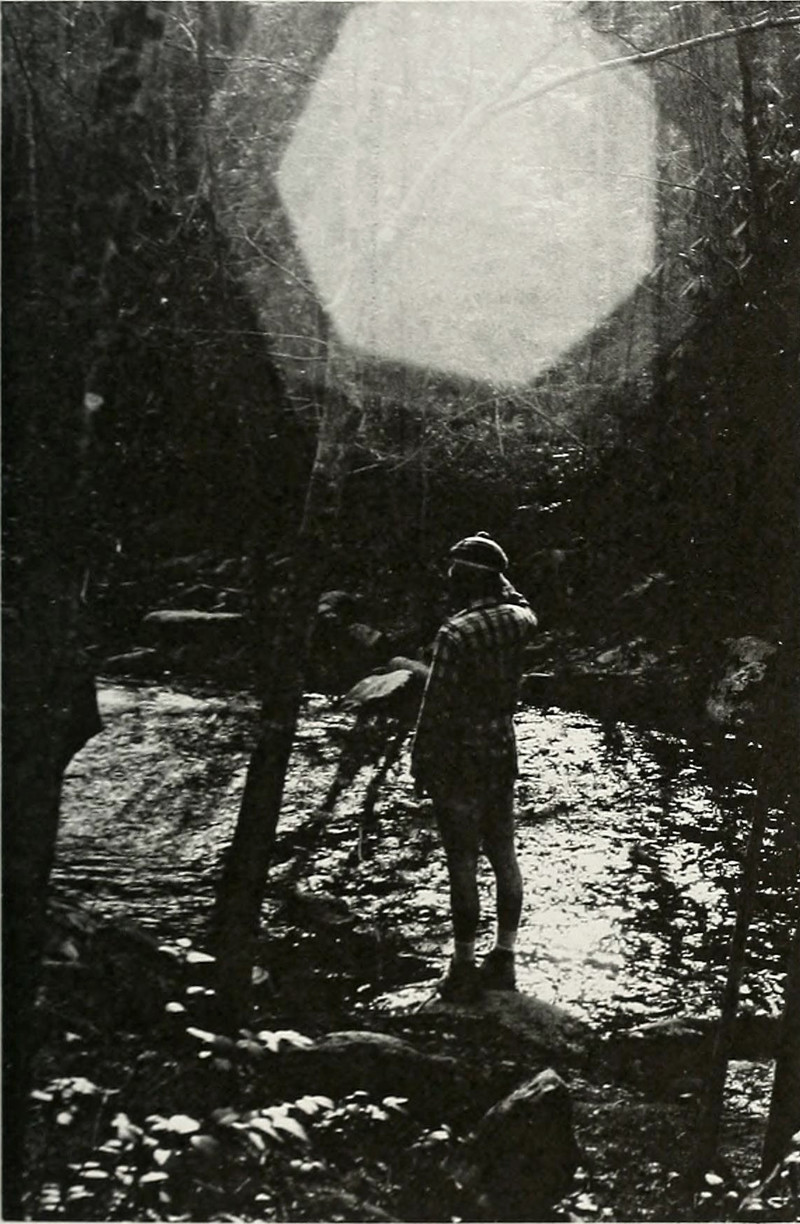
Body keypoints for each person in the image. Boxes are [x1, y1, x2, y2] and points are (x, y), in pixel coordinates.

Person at [411, 532, 538, 1002]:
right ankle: (504, 957)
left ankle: (463, 965)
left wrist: (420, 760)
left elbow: (435, 705)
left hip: (458, 756)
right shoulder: (520, 620)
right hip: (502, 746)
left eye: (454, 573)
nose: (447, 579)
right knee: (504, 854)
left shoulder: (456, 633)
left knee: (462, 861)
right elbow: (519, 600)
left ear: (466, 580)